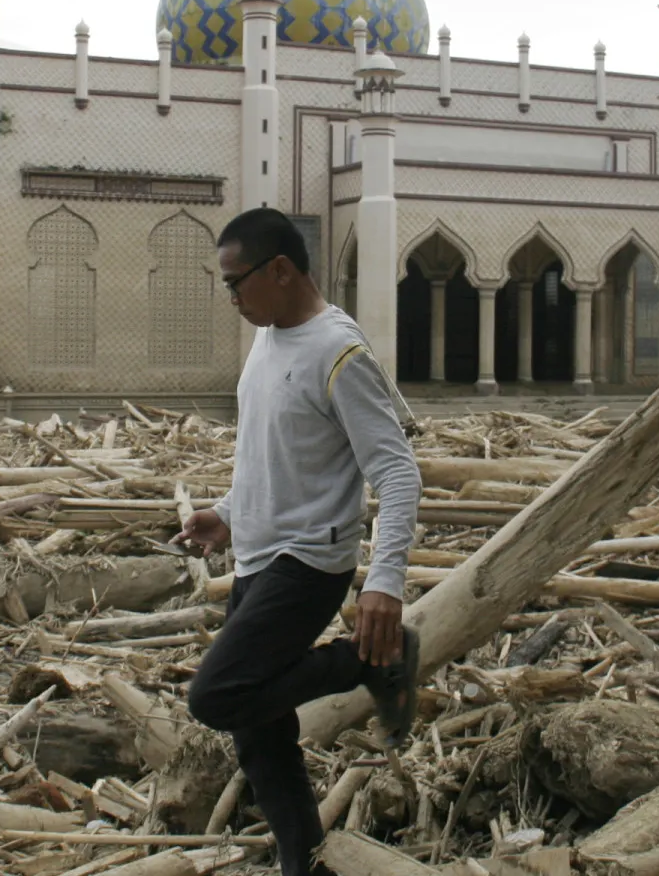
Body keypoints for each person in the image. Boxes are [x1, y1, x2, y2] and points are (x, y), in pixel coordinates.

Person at [179, 208, 422, 876]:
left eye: (236, 282)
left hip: (309, 562)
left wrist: (384, 583)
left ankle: (370, 664)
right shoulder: (270, 334)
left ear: (281, 270)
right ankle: (304, 862)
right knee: (262, 739)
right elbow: (276, 448)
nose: (231, 297)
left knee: (216, 696)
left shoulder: (338, 352)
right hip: (258, 556)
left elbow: (398, 471)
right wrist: (227, 512)